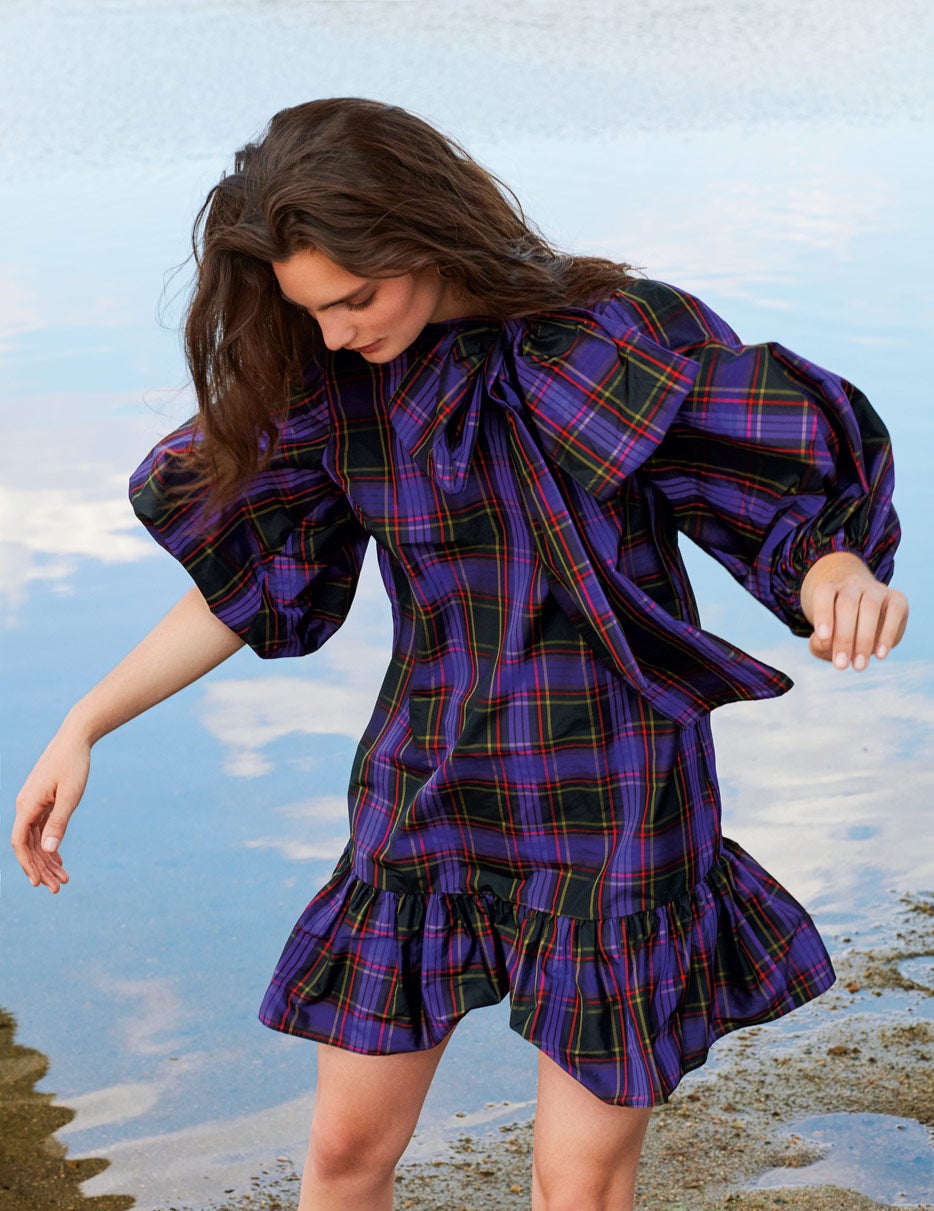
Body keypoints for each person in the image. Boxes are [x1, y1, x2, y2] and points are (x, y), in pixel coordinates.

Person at [12, 98, 908, 1211]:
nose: (337, 330)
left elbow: (770, 493)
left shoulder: (610, 337)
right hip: (426, 781)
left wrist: (832, 571)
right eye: (312, 308)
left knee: (574, 1183)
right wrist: (84, 719)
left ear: (426, 233)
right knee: (343, 1156)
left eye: (355, 297)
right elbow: (249, 585)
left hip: (615, 790)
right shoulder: (337, 384)